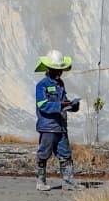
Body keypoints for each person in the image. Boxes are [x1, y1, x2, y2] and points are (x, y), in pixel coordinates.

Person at [34, 51, 82, 191]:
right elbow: (42, 105)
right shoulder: (41, 85)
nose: (59, 72)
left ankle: (68, 182)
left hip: (61, 126)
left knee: (65, 154)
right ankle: (40, 181)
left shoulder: (60, 84)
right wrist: (60, 105)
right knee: (44, 154)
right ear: (49, 69)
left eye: (60, 69)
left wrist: (72, 106)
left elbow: (63, 103)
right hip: (48, 127)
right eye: (56, 69)